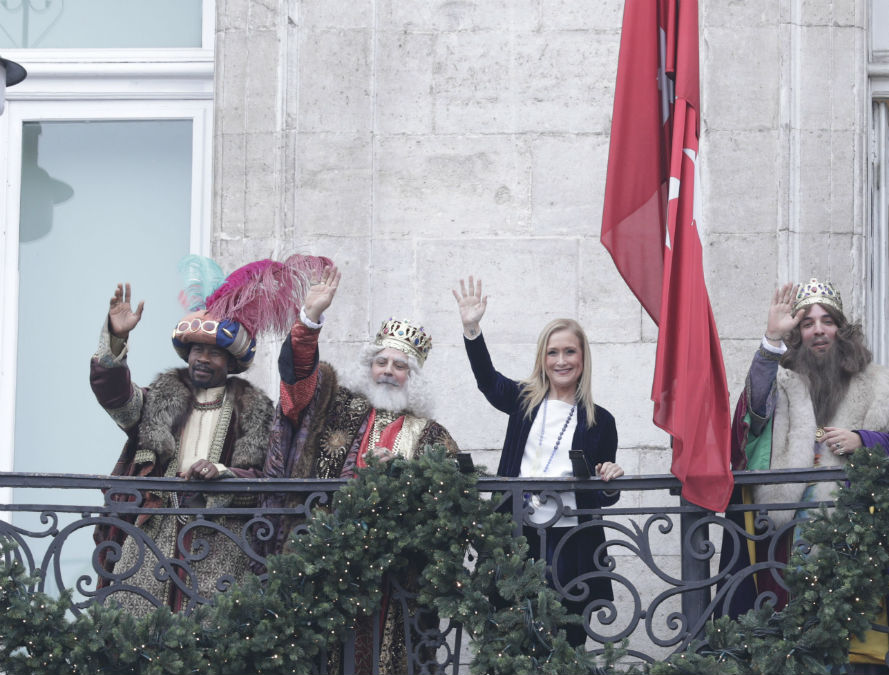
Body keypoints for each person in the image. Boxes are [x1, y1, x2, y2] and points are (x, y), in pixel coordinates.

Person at [263, 263, 458, 674]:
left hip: (399, 576)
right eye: (381, 362)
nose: (387, 371)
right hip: (329, 564)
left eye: (399, 365)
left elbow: (452, 504)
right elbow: (297, 388)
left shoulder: (434, 435)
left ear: (413, 377)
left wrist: (404, 479)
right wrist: (309, 321)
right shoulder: (336, 408)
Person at [721, 278, 889, 673]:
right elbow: (751, 418)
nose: (817, 330)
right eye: (807, 323)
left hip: (855, 537)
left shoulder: (879, 384)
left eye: (826, 321)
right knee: (790, 640)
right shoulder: (780, 380)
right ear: (797, 334)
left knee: (853, 646)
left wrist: (863, 440)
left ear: (841, 329)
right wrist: (770, 341)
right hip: (787, 536)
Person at [454, 276, 623, 648]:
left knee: (567, 633)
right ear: (542, 359)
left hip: (571, 538)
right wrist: (472, 328)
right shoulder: (522, 399)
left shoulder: (601, 420)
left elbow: (605, 493)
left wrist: (610, 475)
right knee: (511, 630)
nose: (561, 361)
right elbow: (487, 380)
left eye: (569, 352)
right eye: (553, 353)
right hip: (519, 531)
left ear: (582, 358)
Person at [90, 282, 274, 616]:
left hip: (220, 536)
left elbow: (264, 479)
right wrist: (116, 339)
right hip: (154, 527)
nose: (202, 358)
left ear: (231, 362)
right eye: (195, 350)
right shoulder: (159, 398)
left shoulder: (255, 410)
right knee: (133, 623)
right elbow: (115, 398)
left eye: (214, 352)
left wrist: (222, 473)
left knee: (210, 634)